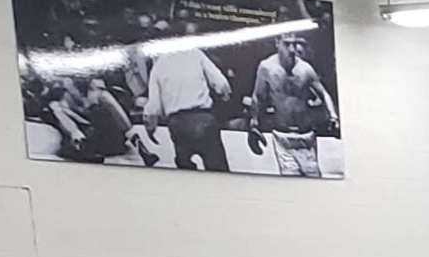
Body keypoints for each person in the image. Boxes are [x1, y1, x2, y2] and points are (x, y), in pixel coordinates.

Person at [247, 40, 339, 177]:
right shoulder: (266, 68)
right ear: (277, 43)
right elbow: (258, 97)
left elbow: (323, 93)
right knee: (290, 180)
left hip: (305, 135)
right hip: (282, 135)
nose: (292, 49)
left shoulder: (305, 69)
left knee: (313, 177)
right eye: (287, 44)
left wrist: (333, 116)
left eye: (294, 44)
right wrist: (254, 123)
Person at [140, 38, 231, 174]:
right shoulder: (195, 54)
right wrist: (225, 96)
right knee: (218, 171)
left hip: (178, 124)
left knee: (186, 174)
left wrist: (150, 129)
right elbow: (221, 83)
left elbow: (153, 106)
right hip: (203, 119)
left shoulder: (159, 65)